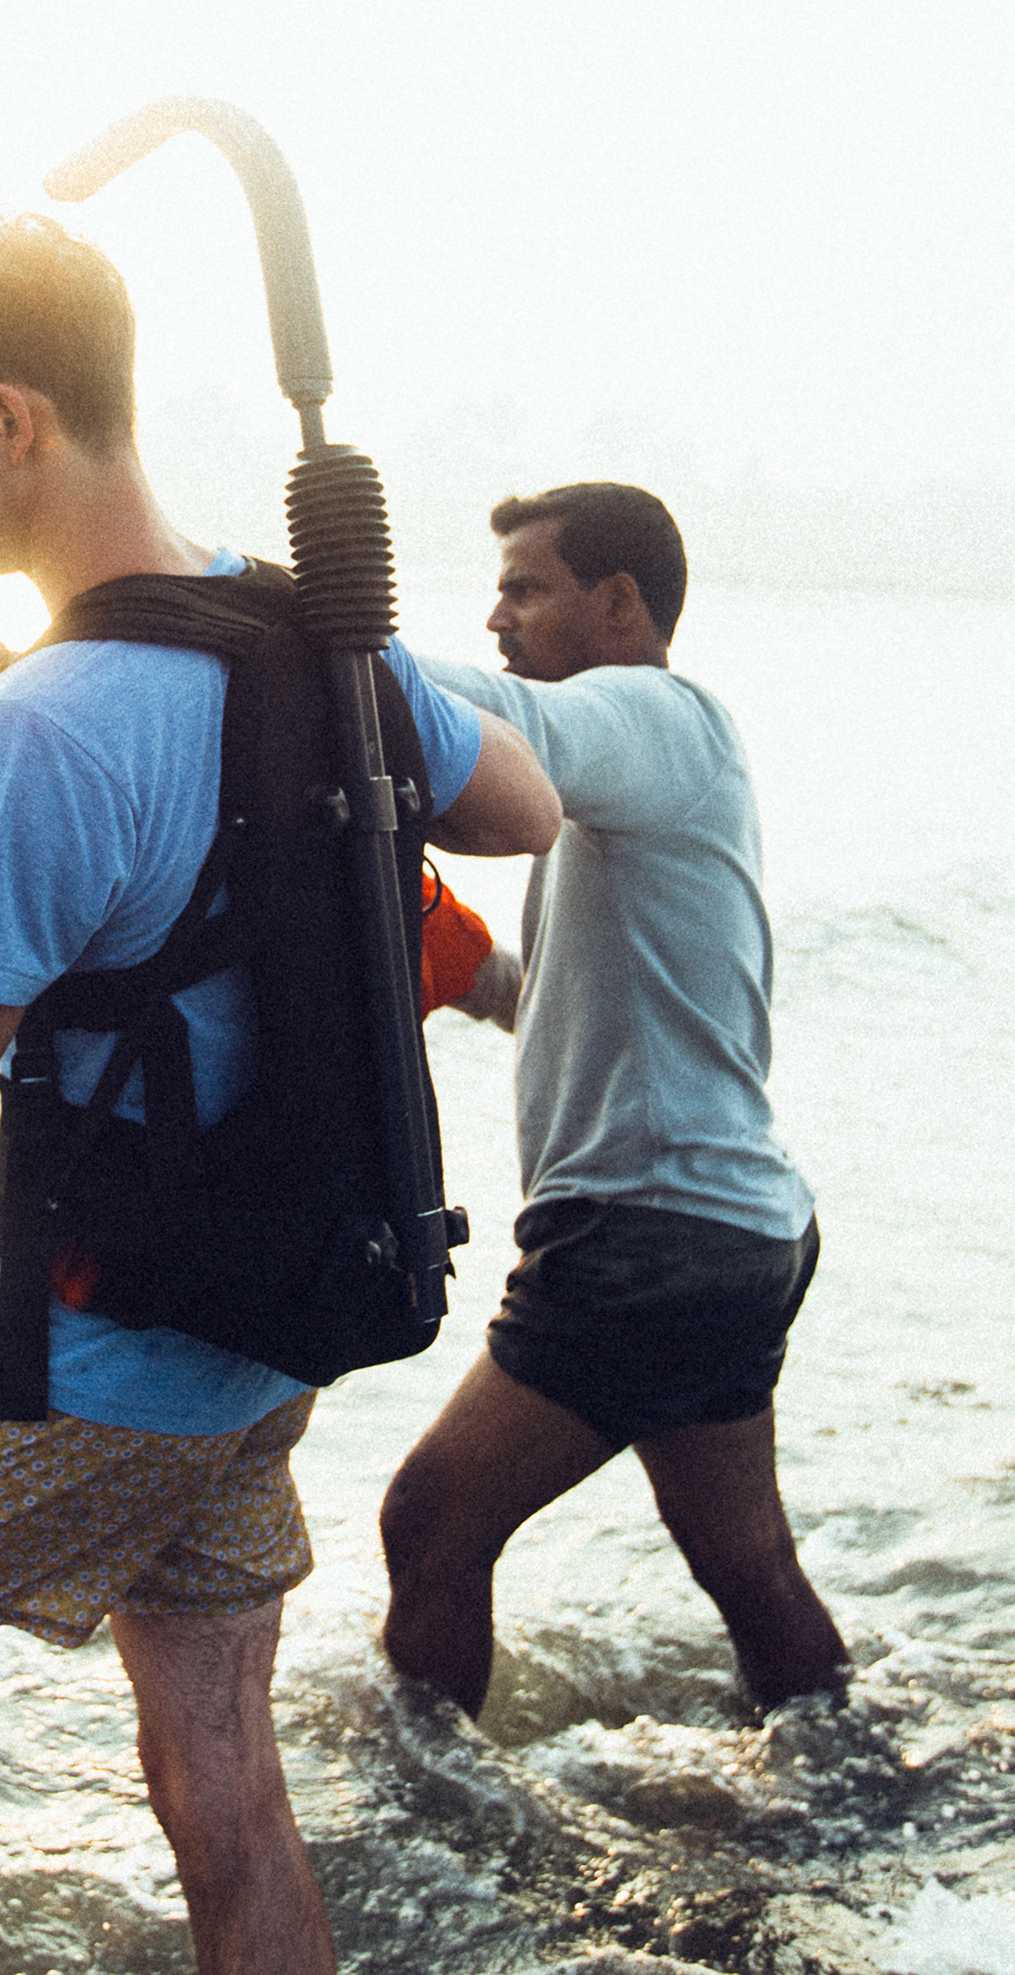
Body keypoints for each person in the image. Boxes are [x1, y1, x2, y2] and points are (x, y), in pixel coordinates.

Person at [0, 211, 558, 1975]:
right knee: (219, 1783)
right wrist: (352, 718)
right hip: (279, 1319)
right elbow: (524, 807)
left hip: (105, 1358)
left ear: (11, 420)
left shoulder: (53, 722)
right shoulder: (309, 630)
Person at [380, 481, 850, 1715]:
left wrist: (316, 639)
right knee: (746, 1565)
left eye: (525, 589)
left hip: (647, 1236)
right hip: (735, 1227)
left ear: (621, 603)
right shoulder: (653, 775)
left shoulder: (650, 712)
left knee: (429, 1522)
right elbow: (587, 1002)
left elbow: (508, 721)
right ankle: (858, 1778)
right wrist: (465, 966)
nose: (497, 617)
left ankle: (432, 1821)